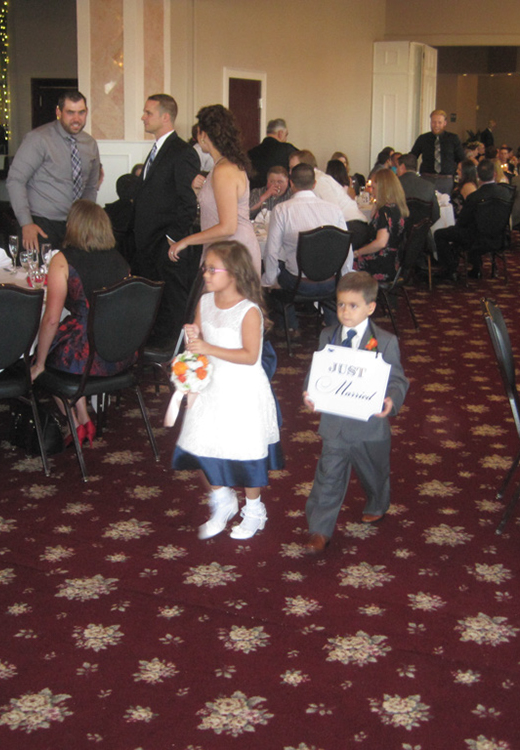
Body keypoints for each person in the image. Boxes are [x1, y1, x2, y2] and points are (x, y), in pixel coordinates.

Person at [173, 240, 282, 540]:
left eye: (212, 269)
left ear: (233, 273)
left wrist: (208, 347)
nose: (205, 274)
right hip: (211, 385)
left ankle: (254, 510)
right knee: (201, 445)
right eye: (205, 268)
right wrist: (193, 339)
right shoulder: (206, 302)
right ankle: (222, 500)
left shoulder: (248, 311)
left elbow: (250, 356)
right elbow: (199, 338)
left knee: (245, 452)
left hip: (241, 389)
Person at [301, 271, 409, 552]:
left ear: (370, 307)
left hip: (370, 426)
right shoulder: (328, 336)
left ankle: (377, 502)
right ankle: (319, 529)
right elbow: (317, 371)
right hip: (335, 424)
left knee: (373, 472)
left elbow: (398, 380)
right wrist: (309, 392)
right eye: (340, 304)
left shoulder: (385, 341)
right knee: (328, 475)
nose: (345, 312)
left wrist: (391, 400)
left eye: (353, 305)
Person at [30, 201, 132, 445]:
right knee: (69, 355)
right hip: (119, 350)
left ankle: (74, 422)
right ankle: (85, 417)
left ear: (73, 226)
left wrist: (39, 363)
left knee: (46, 360)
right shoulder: (121, 260)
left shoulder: (62, 260)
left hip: (85, 350)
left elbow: (51, 319)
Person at [129, 93, 200, 347]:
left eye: (148, 113)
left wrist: (173, 239)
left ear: (166, 117)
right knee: (156, 302)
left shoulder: (182, 152)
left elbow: (187, 202)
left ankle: (176, 351)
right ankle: (156, 349)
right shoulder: (158, 149)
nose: (143, 117)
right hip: (148, 243)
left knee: (172, 302)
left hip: (165, 244)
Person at [168, 104, 261, 272]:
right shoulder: (222, 166)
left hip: (233, 253)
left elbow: (228, 227)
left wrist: (185, 241)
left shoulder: (224, 170)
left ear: (203, 135)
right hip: (226, 249)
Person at [7, 90, 102, 253]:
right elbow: (15, 180)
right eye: (70, 112)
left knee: (72, 270)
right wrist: (26, 223)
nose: (76, 119)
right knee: (38, 270)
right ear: (59, 112)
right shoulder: (38, 139)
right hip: (39, 225)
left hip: (75, 228)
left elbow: (91, 187)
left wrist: (85, 222)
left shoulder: (90, 144)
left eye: (81, 112)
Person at [262, 163, 349, 329]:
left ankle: (290, 326)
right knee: (323, 265)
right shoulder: (334, 210)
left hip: (299, 284)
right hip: (331, 283)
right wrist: (343, 278)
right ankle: (333, 324)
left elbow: (271, 252)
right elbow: (346, 249)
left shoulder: (282, 210)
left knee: (274, 271)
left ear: (291, 184)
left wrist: (270, 281)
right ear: (314, 184)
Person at [434, 159, 512, 280]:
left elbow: (463, 221)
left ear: (477, 175)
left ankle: (450, 268)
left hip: (475, 240)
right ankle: (475, 266)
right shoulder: (506, 193)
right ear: (495, 174)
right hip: (499, 238)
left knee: (439, 234)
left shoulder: (475, 197)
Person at [353, 168, 407, 282]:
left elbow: (380, 243)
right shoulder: (397, 207)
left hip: (382, 264)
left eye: (374, 188)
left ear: (382, 189)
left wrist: (358, 252)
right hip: (394, 261)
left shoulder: (384, 211)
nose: (371, 191)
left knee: (347, 261)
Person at [289, 150, 367, 226]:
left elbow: (332, 210)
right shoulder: (315, 179)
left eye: (293, 168)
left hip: (351, 224)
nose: (290, 172)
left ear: (304, 166)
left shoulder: (318, 181)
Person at [410, 109, 465, 195]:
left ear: (445, 123)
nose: (436, 125)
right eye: (433, 122)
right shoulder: (423, 138)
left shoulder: (453, 138)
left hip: (446, 180)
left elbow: (461, 159)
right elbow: (412, 157)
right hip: (426, 179)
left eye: (439, 122)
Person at [247, 118, 297, 189]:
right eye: (286, 135)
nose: (286, 139)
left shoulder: (250, 153)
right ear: (280, 133)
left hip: (256, 194)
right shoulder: (288, 150)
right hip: (282, 194)